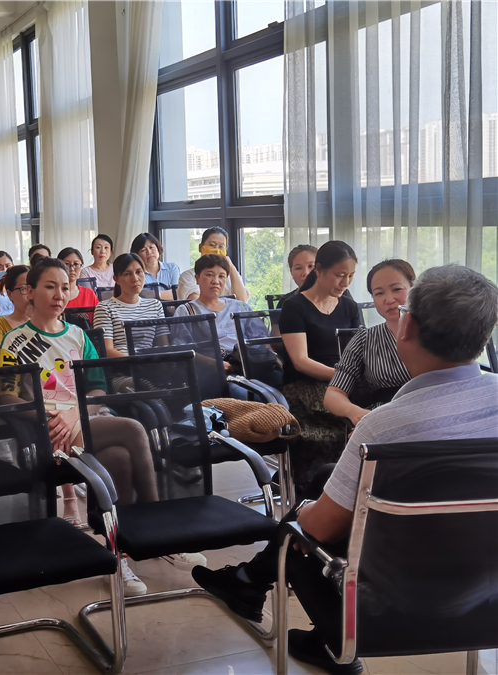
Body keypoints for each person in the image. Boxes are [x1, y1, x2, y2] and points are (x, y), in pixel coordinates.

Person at [191, 265, 498, 675]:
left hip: (390, 612)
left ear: (407, 326)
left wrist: (304, 513)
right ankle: (248, 583)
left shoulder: (384, 428)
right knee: (327, 477)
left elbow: (319, 529)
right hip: (486, 597)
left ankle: (328, 637)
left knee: (296, 533)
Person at [0, 258, 164, 596]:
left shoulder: (78, 335)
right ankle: (157, 529)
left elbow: (98, 388)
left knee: (119, 458)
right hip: (52, 430)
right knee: (133, 430)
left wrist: (75, 413)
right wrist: (48, 417)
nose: (59, 294)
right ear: (30, 291)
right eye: (49, 286)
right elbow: (5, 397)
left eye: (64, 287)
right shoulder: (14, 342)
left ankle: (117, 554)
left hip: (84, 420)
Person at [279, 241, 362, 485]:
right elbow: (300, 361)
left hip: (343, 382)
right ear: (319, 270)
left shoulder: (349, 307)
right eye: (339, 275)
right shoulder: (294, 306)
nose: (345, 283)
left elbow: (360, 351)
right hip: (305, 385)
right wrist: (342, 376)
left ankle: (365, 487)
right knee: (337, 422)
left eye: (350, 276)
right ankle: (318, 487)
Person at [323, 260, 415, 425]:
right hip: (384, 419)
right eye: (379, 293)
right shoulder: (365, 339)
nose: (389, 299)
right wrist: (358, 414)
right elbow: (333, 394)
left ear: (415, 289)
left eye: (397, 289)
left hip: (435, 413)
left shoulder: (435, 332)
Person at [172, 255, 267, 372]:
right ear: (197, 278)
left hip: (249, 363)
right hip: (212, 370)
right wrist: (218, 365)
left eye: (221, 276)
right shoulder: (186, 311)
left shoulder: (240, 306)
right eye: (209, 275)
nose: (216, 281)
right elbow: (182, 349)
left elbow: (261, 338)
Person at [93, 254, 168, 360]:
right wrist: (138, 363)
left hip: (151, 365)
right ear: (116, 279)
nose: (135, 279)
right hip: (121, 366)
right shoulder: (104, 308)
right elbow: (107, 351)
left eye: (139, 272)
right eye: (127, 274)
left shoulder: (155, 305)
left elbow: (163, 346)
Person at [177, 227, 250, 303]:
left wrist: (231, 266)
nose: (217, 250)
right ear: (201, 247)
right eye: (212, 245)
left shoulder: (230, 275)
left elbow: (242, 303)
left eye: (221, 247)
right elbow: (198, 305)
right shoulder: (188, 276)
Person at [0, 265, 30, 367]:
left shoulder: (47, 322)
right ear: (10, 294)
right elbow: (1, 366)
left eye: (33, 288)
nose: (30, 294)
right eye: (24, 288)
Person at [130, 232, 179, 301]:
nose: (149, 252)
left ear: (158, 248)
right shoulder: (135, 274)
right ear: (137, 255)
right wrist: (168, 294)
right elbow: (138, 298)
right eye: (143, 250)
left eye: (151, 247)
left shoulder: (172, 268)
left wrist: (154, 294)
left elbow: (179, 294)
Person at [58, 248, 99, 321]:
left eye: (76, 264)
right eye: (67, 264)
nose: (72, 269)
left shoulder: (89, 293)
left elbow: (99, 319)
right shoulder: (54, 294)